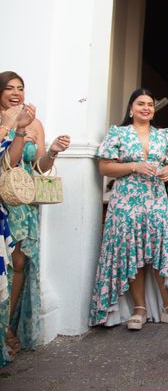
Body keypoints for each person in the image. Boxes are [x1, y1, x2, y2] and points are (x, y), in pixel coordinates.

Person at [89, 88, 168, 330]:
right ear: (131, 108)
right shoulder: (118, 133)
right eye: (141, 103)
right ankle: (139, 308)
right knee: (132, 251)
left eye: (150, 104)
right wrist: (134, 166)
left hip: (156, 199)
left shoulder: (163, 135)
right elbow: (104, 167)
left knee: (159, 250)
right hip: (126, 201)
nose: (146, 108)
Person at [0, 71, 70, 365]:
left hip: (24, 198)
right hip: (4, 195)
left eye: (21, 89)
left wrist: (52, 151)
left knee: (19, 263)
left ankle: (8, 328)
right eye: (9, 89)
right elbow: (9, 161)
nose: (16, 93)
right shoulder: (6, 123)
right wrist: (15, 130)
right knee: (6, 263)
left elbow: (39, 165)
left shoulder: (35, 123)